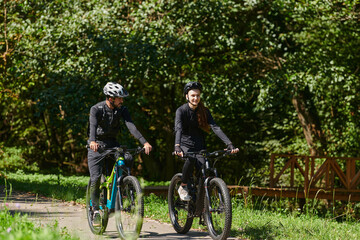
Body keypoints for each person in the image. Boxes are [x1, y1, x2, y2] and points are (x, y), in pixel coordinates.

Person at [87, 82, 152, 226]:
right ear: (110, 98)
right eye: (119, 98)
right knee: (96, 177)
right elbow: (92, 126)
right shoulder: (96, 109)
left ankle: (122, 189)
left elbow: (131, 126)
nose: (122, 101)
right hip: (97, 146)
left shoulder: (122, 110)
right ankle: (96, 210)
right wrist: (92, 141)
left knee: (126, 159)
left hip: (113, 144)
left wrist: (144, 142)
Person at [174, 81, 239, 201]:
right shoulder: (181, 111)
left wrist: (229, 144)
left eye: (198, 95)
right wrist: (177, 146)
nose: (195, 98)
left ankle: (201, 201)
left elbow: (215, 127)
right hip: (184, 144)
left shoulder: (204, 111)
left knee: (205, 167)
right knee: (191, 159)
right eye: (193, 95)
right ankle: (183, 186)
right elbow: (178, 129)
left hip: (199, 145)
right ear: (187, 96)